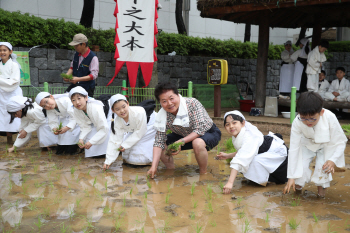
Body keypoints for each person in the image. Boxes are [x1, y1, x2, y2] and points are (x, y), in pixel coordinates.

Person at [147, 82, 221, 178]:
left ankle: (203, 173)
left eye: (171, 98)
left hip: (208, 133)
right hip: (183, 135)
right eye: (164, 101)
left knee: (197, 142)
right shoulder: (162, 115)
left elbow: (199, 130)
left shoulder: (192, 103)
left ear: (178, 95)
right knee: (162, 144)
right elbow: (158, 142)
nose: (169, 103)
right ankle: (171, 170)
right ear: (160, 102)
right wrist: (154, 166)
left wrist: (180, 142)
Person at [283, 92, 347, 198]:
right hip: (306, 144)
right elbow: (294, 149)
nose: (308, 122)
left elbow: (340, 141)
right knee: (300, 168)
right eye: (304, 118)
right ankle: (297, 193)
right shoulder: (297, 122)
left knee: (323, 169)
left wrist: (333, 160)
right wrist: (291, 176)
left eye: (312, 118)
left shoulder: (330, 117)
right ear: (299, 113)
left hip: (326, 145)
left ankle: (321, 197)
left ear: (321, 112)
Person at [217, 111, 288, 194]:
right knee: (248, 160)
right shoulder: (238, 135)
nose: (231, 126)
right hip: (264, 153)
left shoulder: (249, 137)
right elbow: (243, 151)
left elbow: (241, 158)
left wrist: (230, 183)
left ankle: (266, 182)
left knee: (251, 161)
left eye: (234, 123)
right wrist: (228, 155)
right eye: (227, 124)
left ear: (243, 123)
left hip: (277, 155)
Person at [103, 94, 157, 169]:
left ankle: (150, 161)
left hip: (149, 124)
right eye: (117, 109)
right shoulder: (117, 121)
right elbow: (114, 140)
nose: (122, 111)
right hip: (135, 128)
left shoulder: (139, 113)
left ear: (128, 104)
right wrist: (108, 161)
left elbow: (141, 131)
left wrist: (125, 145)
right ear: (113, 110)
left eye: (124, 107)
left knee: (139, 150)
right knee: (127, 152)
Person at [69, 86, 110, 158]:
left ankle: (111, 152)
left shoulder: (95, 108)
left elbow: (104, 128)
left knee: (110, 130)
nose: (77, 102)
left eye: (79, 98)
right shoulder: (76, 110)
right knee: (91, 148)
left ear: (86, 98)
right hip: (100, 122)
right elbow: (85, 127)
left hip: (110, 112)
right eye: (73, 100)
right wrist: (81, 139)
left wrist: (91, 142)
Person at [0, 42, 23, 145]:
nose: (2, 52)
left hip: (12, 93)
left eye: (4, 50)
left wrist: (1, 81)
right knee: (3, 115)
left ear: (10, 52)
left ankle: (15, 137)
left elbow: (14, 81)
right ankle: (7, 136)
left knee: (13, 114)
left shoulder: (14, 65)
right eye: (0, 50)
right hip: (1, 94)